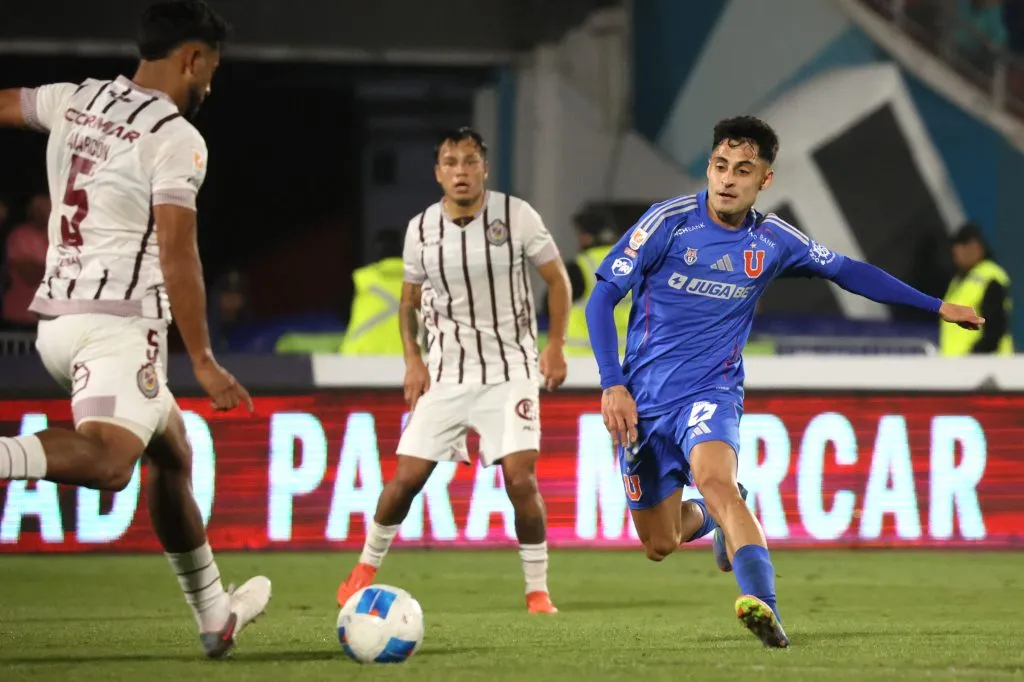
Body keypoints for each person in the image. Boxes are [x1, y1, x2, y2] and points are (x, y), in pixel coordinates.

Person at [585, 116, 983, 648]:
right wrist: (613, 383)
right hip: (642, 400)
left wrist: (937, 306)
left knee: (716, 480)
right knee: (660, 542)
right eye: (720, 166)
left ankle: (763, 608)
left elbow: (849, 272)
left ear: (764, 181)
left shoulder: (773, 240)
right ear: (708, 167)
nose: (728, 179)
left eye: (743, 170)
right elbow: (602, 298)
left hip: (711, 392)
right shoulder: (667, 223)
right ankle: (715, 518)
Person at [0, 0, 270, 658]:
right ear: (191, 59)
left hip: (56, 325)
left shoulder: (75, 99)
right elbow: (180, 252)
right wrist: (202, 357)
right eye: (211, 69)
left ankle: (214, 615)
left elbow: (6, 102)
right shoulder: (176, 138)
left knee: (172, 453)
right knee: (113, 463)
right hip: (120, 325)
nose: (209, 84)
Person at [336, 127, 572, 614]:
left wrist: (555, 346)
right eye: (450, 162)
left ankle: (537, 590)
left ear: (484, 168)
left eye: (469, 161)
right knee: (406, 478)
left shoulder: (517, 215)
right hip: (448, 372)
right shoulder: (420, 228)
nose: (460, 171)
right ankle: (364, 567)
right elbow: (408, 303)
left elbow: (558, 280)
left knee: (520, 480)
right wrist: (412, 360)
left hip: (511, 370)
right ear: (438, 172)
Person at [562, 209, 630, 356]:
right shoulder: (633, 263)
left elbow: (552, 306)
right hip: (626, 358)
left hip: (582, 361)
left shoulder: (579, 267)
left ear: (586, 236)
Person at [941, 222, 1013, 355]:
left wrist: (973, 358)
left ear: (976, 247)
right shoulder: (958, 281)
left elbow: (995, 329)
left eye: (962, 245)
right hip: (959, 368)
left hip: (984, 368)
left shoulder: (990, 278)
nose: (955, 251)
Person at [339, 229, 406, 355]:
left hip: (360, 354)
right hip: (407, 358)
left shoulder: (361, 278)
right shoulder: (421, 283)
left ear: (377, 248)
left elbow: (342, 314)